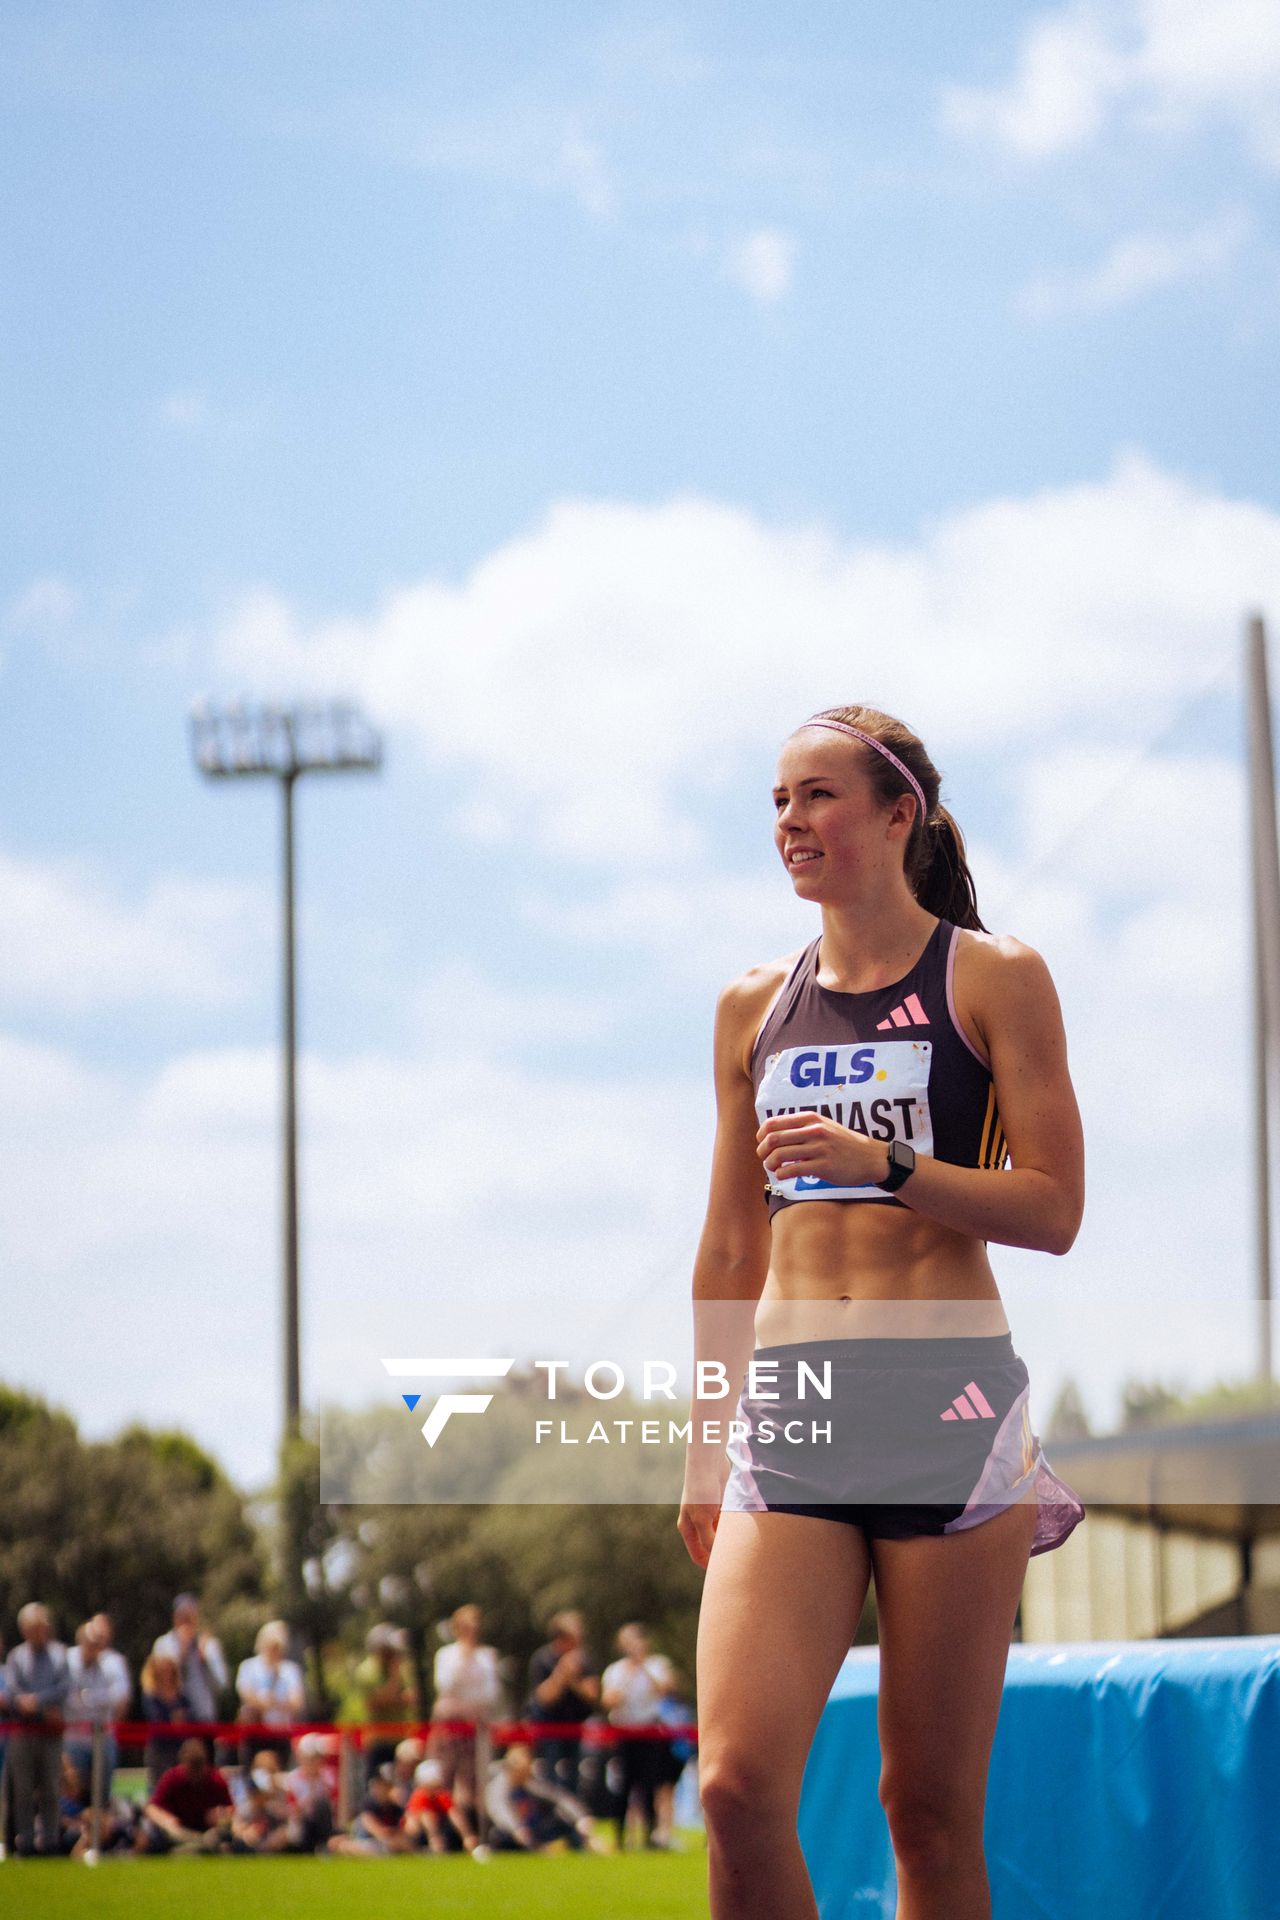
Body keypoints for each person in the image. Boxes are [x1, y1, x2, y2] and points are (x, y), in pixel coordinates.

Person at [679, 706, 1087, 1920]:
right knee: (734, 1792)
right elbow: (727, 1245)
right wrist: (706, 1438)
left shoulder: (992, 975)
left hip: (947, 1410)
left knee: (926, 1815)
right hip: (794, 1412)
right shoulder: (752, 1006)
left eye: (815, 797)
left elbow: (1053, 1208)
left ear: (897, 813)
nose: (788, 824)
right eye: (776, 803)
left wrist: (888, 1166)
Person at [600, 1622, 678, 1851]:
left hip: (650, 1731)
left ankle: (650, 1836)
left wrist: (642, 1668)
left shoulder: (657, 1665)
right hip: (625, 1733)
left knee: (650, 1784)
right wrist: (627, 1676)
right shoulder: (615, 1671)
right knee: (623, 1786)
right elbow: (609, 1701)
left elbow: (665, 1690)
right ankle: (620, 1837)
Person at [3, 1602, 69, 1855]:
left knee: (51, 1788)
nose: (38, 1632)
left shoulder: (59, 1654)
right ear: (24, 1630)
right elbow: (12, 1689)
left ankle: (50, 1841)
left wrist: (37, 1703)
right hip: (23, 1731)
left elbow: (63, 1687)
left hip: (50, 1733)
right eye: (33, 1628)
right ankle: (25, 1842)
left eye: (41, 1627)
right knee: (22, 1789)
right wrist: (25, 1703)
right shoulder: (16, 1657)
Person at [430, 1604, 501, 1824]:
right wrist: (464, 1658)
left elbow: (491, 1693)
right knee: (444, 1777)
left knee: (476, 1779)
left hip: (476, 1724)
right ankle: (442, 1829)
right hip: (451, 1725)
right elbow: (445, 1685)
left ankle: (474, 1828)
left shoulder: (487, 1656)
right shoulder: (447, 1655)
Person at [525, 1608, 600, 1801]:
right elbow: (543, 1697)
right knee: (550, 1777)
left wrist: (574, 1680)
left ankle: (572, 1819)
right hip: (549, 1729)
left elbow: (593, 1694)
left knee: (575, 1777)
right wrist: (561, 1674)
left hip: (575, 1727)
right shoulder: (542, 1659)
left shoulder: (585, 1660)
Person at [483, 1742, 601, 1853]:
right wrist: (517, 1828)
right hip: (510, 1833)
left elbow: (560, 1798)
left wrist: (581, 1817)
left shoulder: (531, 1782)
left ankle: (583, 1846)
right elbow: (501, 1811)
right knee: (500, 1837)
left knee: (566, 1822)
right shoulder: (498, 1787)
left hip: (536, 1829)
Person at [152, 1593, 227, 1758]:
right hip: (173, 1723)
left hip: (203, 1721)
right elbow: (160, 1682)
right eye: (182, 1617)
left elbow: (221, 1686)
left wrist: (204, 1660)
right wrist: (183, 1653)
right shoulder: (163, 1645)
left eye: (190, 1617)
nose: (186, 1622)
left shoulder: (208, 1645)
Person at [138, 1737, 234, 1853]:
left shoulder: (216, 1779)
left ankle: (196, 1847)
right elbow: (151, 1808)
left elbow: (232, 1810)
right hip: (180, 1833)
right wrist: (166, 1820)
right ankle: (199, 1846)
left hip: (208, 1832)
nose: (195, 1774)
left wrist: (221, 1814)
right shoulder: (172, 1778)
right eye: (192, 1767)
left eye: (198, 1767)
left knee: (218, 1836)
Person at [353, 1623, 417, 1778]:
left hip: (401, 1739)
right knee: (377, 1784)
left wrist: (393, 1698)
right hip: (378, 1741)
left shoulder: (403, 1667)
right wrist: (394, 1680)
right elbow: (375, 1703)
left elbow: (411, 1698)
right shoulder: (366, 1670)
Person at [235, 1620, 305, 1763]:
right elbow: (246, 1696)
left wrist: (270, 1702)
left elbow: (297, 1703)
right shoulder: (249, 1667)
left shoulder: (290, 1670)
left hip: (280, 1734)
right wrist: (273, 1703)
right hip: (255, 1734)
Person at [139, 1648, 188, 1786]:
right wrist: (173, 1718)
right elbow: (155, 1717)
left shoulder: (181, 1695)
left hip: (179, 1746)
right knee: (159, 1785)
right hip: (159, 1746)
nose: (166, 1673)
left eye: (169, 1669)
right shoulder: (150, 1694)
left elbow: (189, 1716)